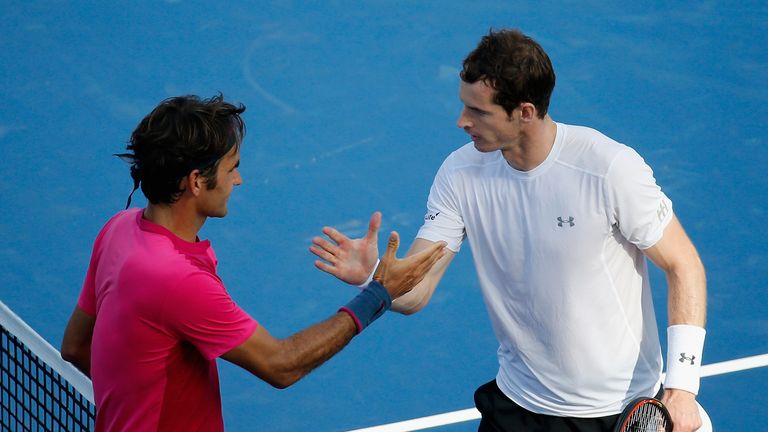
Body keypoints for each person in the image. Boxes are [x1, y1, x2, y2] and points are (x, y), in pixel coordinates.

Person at [310, 29, 709, 432]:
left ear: (525, 112)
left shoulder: (608, 169)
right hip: (518, 405)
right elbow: (417, 292)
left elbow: (683, 265)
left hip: (616, 411)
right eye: (464, 106)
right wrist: (376, 277)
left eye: (478, 112)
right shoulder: (459, 174)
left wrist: (682, 388)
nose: (461, 121)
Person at [60, 94, 446, 431]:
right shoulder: (176, 279)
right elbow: (280, 365)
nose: (238, 180)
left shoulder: (120, 229)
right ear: (196, 182)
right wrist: (379, 293)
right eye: (231, 168)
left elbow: (76, 347)